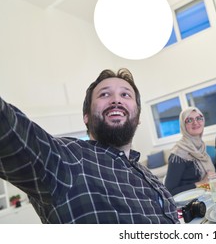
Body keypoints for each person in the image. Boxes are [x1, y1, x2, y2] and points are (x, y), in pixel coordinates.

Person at [0, 68, 179, 224]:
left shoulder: (148, 176)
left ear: (138, 117)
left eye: (125, 94)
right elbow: (10, 130)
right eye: (104, 94)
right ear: (86, 116)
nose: (116, 100)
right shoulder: (66, 160)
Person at [164, 107, 216, 196]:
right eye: (189, 120)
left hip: (207, 195)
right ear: (183, 125)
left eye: (198, 118)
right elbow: (169, 191)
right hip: (190, 204)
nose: (195, 122)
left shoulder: (201, 148)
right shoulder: (178, 154)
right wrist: (200, 183)